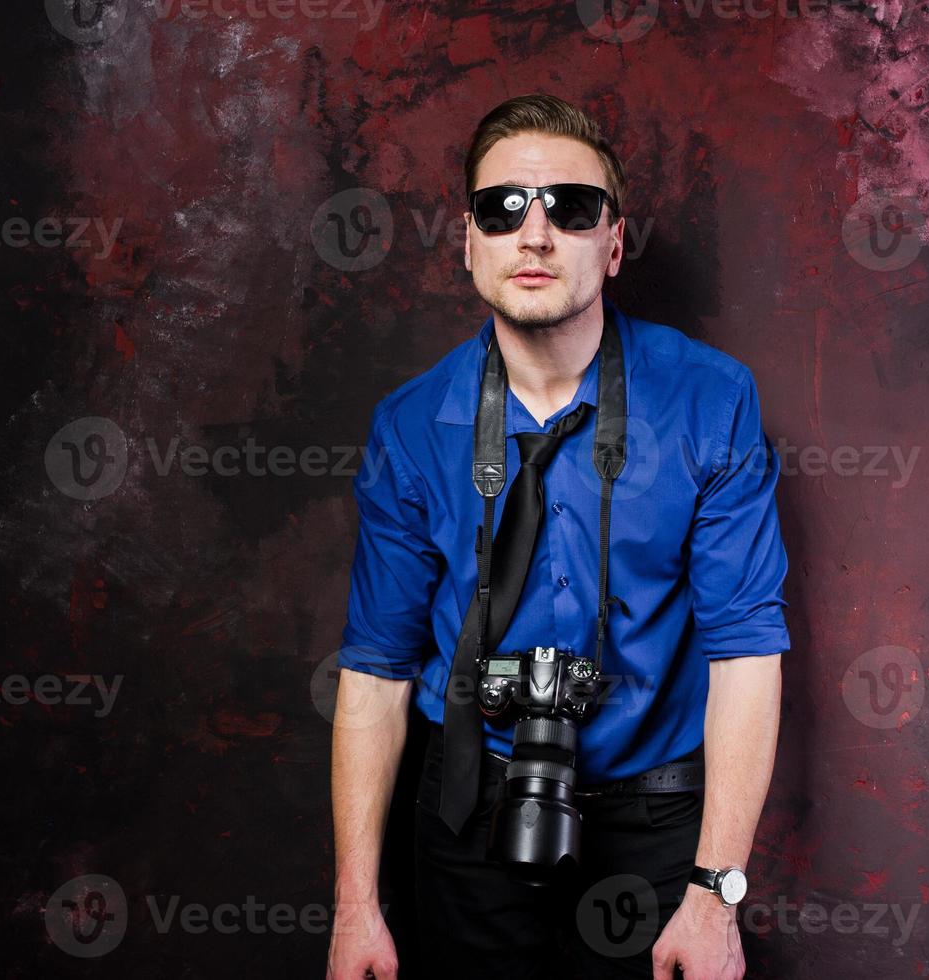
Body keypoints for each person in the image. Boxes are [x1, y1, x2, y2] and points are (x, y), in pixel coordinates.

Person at [327, 93, 790, 980]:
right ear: (469, 242)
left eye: (569, 208)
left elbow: (745, 650)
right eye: (503, 209)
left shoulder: (709, 399)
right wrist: (354, 906)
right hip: (468, 802)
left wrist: (713, 889)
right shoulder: (412, 423)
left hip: (655, 819)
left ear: (611, 244)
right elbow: (375, 671)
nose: (534, 236)